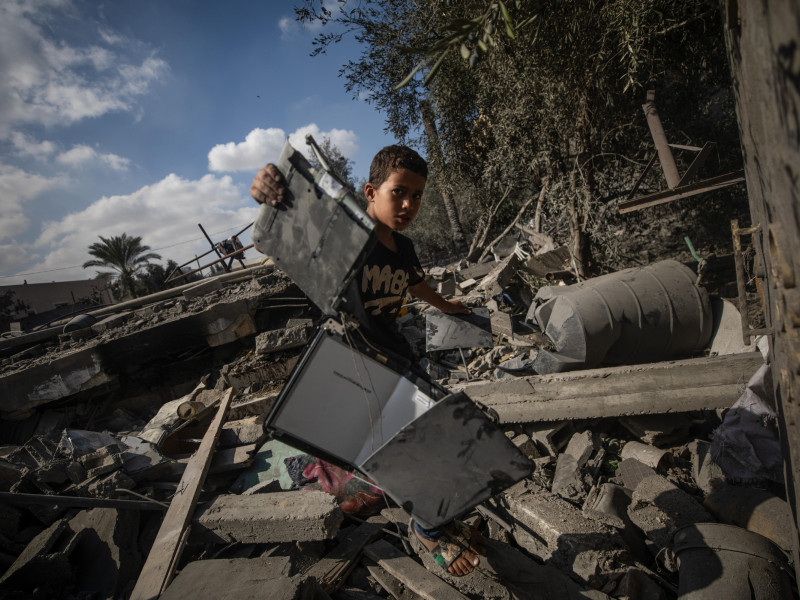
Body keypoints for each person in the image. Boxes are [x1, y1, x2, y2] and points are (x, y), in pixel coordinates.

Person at [250, 144, 485, 576]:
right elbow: (294, 229)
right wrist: (270, 187)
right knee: (406, 447)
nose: (409, 204)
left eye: (417, 195)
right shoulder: (346, 241)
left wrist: (447, 305)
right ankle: (428, 529)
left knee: (442, 428)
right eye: (400, 193)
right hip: (352, 363)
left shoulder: (404, 248)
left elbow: (415, 286)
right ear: (371, 191)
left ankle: (412, 499)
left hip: (396, 356)